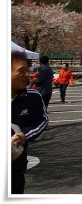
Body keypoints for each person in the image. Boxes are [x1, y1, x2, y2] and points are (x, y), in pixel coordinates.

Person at [11, 51, 49, 194]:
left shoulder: (33, 97)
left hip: (15, 166)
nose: (27, 74)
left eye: (27, 70)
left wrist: (25, 134)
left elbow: (43, 120)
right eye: (21, 71)